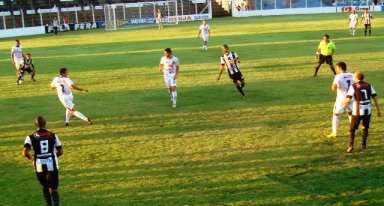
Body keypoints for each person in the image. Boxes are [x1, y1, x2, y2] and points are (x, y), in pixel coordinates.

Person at [23, 116, 63, 206]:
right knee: (54, 189)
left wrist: (32, 159)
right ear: (45, 124)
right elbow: (60, 152)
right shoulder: (53, 135)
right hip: (52, 164)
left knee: (45, 187)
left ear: (35, 125)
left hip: (39, 165)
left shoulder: (30, 137)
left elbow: (25, 152)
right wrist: (53, 156)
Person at [341, 71, 381, 153]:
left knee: (352, 129)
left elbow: (348, 99)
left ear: (356, 78)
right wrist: (379, 110)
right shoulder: (369, 85)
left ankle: (351, 146)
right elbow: (375, 98)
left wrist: (341, 104)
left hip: (358, 111)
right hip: (368, 110)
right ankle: (364, 144)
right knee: (365, 127)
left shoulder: (354, 86)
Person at [327, 62, 354, 138]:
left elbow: (334, 88)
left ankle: (334, 133)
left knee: (335, 114)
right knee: (350, 113)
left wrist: (334, 86)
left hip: (342, 99)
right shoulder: (352, 75)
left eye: (337, 68)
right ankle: (352, 131)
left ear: (340, 68)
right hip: (351, 98)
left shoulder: (338, 76)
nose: (336, 69)